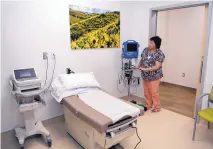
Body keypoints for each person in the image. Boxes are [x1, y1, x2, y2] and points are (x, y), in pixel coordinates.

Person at [137, 36, 165, 112]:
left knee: (154, 92)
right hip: (145, 76)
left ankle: (157, 107)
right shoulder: (145, 50)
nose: (149, 44)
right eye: (149, 42)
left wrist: (146, 69)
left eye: (152, 43)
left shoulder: (159, 53)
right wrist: (139, 65)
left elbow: (157, 66)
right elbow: (142, 59)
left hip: (155, 76)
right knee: (146, 91)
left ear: (156, 44)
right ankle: (148, 104)